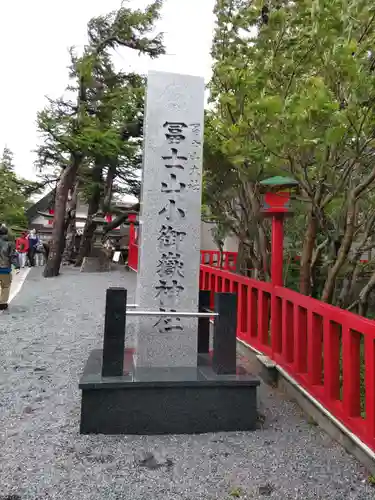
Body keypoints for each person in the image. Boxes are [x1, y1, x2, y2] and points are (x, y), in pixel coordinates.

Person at [0, 226, 14, 311]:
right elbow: (13, 256)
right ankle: (2, 303)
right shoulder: (9, 244)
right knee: (5, 286)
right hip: (5, 268)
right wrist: (17, 265)